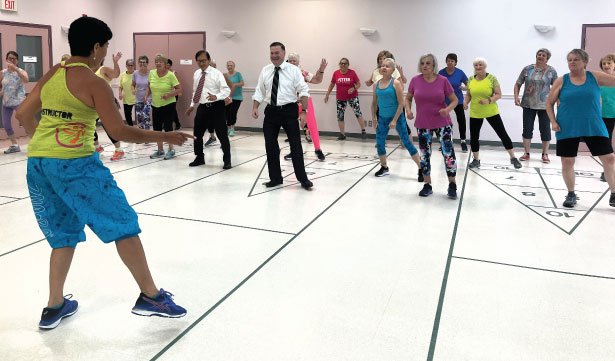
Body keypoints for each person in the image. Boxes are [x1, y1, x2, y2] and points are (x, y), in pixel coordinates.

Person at [15, 16, 191, 330]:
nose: (106, 52)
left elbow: (23, 112)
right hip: (76, 165)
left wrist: (44, 143)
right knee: (123, 223)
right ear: (97, 47)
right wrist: (165, 135)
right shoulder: (94, 82)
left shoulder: (56, 70)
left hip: (39, 164)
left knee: (62, 233)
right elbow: (119, 130)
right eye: (106, 46)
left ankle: (55, 305)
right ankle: (151, 297)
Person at [546, 49, 615, 208]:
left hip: (593, 124)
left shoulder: (595, 77)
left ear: (585, 62)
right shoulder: (562, 80)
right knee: (567, 161)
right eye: (569, 60)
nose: (572, 62)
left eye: (576, 59)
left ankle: (613, 193)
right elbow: (549, 103)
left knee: (609, 158)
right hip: (567, 125)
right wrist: (553, 122)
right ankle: (571, 194)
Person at [252, 41, 313, 190]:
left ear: (283, 54)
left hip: (289, 111)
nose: (274, 56)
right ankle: (275, 178)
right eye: (272, 53)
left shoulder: (293, 70)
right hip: (271, 111)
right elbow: (260, 90)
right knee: (270, 146)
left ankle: (303, 179)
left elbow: (304, 90)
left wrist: (304, 112)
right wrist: (255, 106)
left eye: (277, 53)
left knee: (295, 145)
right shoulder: (265, 70)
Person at [406, 54, 459, 198]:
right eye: (422, 63)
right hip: (423, 124)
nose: (425, 66)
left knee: (448, 154)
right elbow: (408, 97)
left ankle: (452, 184)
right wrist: (408, 109)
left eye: (428, 63)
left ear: (433, 65)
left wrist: (447, 110)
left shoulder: (443, 80)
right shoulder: (415, 80)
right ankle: (427, 184)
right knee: (424, 155)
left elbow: (454, 100)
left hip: (443, 123)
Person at [464, 57, 522, 169]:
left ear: (485, 66)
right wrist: (465, 102)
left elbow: (498, 94)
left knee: (502, 134)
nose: (478, 67)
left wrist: (489, 100)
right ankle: (476, 160)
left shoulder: (491, 78)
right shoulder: (471, 79)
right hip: (475, 112)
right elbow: (469, 94)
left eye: (480, 65)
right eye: (476, 65)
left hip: (491, 111)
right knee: (474, 137)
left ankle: (513, 158)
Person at [371, 58, 421, 179]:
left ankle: (421, 168)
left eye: (387, 66)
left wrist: (394, 120)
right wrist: (374, 118)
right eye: (382, 65)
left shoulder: (396, 83)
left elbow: (401, 103)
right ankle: (384, 167)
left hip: (397, 118)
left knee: (407, 142)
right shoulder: (376, 84)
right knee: (380, 143)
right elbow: (374, 103)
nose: (384, 67)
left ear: (393, 70)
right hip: (382, 118)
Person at [186, 50, 232, 169]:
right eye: (199, 61)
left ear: (209, 60)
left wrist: (216, 96)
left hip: (217, 106)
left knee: (222, 134)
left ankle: (227, 160)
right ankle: (199, 157)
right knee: (197, 134)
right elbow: (195, 91)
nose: (201, 63)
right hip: (202, 107)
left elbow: (226, 90)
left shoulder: (216, 73)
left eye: (204, 61)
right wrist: (192, 105)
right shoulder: (196, 73)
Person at [514, 48, 558, 163]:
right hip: (528, 104)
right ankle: (526, 153)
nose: (541, 56)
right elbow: (518, 83)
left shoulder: (551, 71)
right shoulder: (527, 69)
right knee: (527, 129)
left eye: (544, 55)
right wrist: (516, 97)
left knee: (545, 130)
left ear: (547, 58)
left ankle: (545, 154)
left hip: (545, 105)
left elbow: (556, 87)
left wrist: (558, 100)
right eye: (539, 54)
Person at [284, 52, 327, 161]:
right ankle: (294, 151)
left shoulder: (302, 72)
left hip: (305, 101)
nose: (292, 62)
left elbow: (317, 80)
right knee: (291, 127)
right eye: (291, 60)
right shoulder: (283, 72)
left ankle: (318, 149)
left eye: (295, 60)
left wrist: (321, 69)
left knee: (312, 126)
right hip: (290, 102)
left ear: (298, 62)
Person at [324, 57, 367, 141]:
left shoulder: (352, 73)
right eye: (341, 63)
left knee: (358, 113)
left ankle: (363, 131)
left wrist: (353, 88)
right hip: (340, 98)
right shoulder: (336, 73)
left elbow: (358, 84)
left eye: (345, 63)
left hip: (352, 97)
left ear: (348, 65)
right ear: (339, 64)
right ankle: (342, 134)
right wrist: (327, 94)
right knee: (340, 116)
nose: (343, 65)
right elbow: (332, 84)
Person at [148, 54, 182, 160]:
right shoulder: (152, 73)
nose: (158, 63)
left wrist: (169, 95)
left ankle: (171, 150)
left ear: (165, 64)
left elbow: (179, 89)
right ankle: (160, 150)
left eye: (160, 62)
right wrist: (146, 96)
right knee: (157, 129)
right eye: (156, 61)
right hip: (155, 104)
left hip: (168, 105)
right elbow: (149, 85)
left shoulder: (171, 75)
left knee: (168, 128)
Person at [92, 52, 125, 160]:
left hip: (106, 104)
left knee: (108, 127)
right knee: (89, 125)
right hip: (94, 105)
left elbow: (116, 74)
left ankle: (119, 150)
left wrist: (115, 62)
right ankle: (97, 147)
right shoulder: (89, 71)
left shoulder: (103, 69)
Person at [438, 53, 469, 152]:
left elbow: (470, 85)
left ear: (455, 62)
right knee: (443, 121)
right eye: (448, 60)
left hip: (458, 100)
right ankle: (443, 141)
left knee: (461, 120)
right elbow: (436, 85)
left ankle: (463, 141)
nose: (450, 62)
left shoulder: (460, 73)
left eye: (452, 61)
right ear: (446, 62)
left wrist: (464, 87)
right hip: (444, 101)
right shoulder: (441, 72)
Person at [0, 51, 28, 154]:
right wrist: (1, 92)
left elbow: (26, 80)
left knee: (26, 123)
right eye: (10, 58)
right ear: (6, 59)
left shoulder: (21, 71)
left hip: (19, 102)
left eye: (14, 59)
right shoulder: (3, 73)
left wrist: (15, 69)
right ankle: (15, 145)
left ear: (17, 61)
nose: (12, 60)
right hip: (6, 103)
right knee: (6, 124)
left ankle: (35, 142)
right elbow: (3, 87)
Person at [599, 54, 615, 182]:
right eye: (604, 64)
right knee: (606, 143)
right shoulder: (599, 80)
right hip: (605, 115)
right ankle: (606, 171)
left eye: (609, 63)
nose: (606, 66)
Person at [132, 55, 152, 130]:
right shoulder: (135, 73)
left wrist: (146, 96)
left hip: (148, 98)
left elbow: (150, 86)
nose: (142, 64)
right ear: (138, 63)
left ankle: (147, 134)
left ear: (147, 63)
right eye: (140, 62)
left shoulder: (151, 73)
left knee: (145, 115)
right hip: (138, 99)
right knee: (139, 117)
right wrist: (133, 90)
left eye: (144, 62)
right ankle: (140, 135)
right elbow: (132, 85)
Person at [225, 60, 244, 137]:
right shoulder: (225, 75)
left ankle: (232, 129)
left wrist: (234, 85)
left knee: (232, 112)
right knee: (227, 114)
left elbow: (242, 83)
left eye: (231, 65)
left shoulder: (238, 74)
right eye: (228, 65)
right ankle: (228, 128)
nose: (229, 67)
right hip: (227, 97)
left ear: (234, 66)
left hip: (237, 97)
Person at [118, 58, 136, 129]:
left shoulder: (136, 74)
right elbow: (120, 86)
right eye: (129, 65)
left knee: (140, 114)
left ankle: (141, 130)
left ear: (134, 66)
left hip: (136, 98)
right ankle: (131, 128)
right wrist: (120, 93)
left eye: (132, 65)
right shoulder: (123, 75)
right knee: (128, 115)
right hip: (126, 98)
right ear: (126, 66)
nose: (130, 67)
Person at [166, 58, 182, 130]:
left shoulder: (174, 73)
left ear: (171, 65)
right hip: (166, 94)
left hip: (174, 94)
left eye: (168, 65)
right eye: (166, 65)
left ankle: (177, 123)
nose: (167, 66)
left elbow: (178, 83)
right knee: (165, 109)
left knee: (172, 109)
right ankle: (166, 124)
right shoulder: (163, 73)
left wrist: (179, 92)